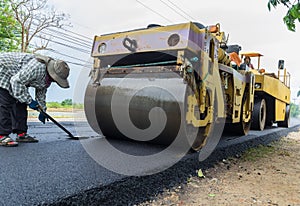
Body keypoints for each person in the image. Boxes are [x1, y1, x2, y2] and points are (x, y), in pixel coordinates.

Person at [0, 52, 70, 147]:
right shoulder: (37, 68)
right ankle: (2, 136)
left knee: (21, 102)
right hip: (3, 70)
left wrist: (42, 110)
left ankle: (21, 134)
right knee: (6, 102)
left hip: (15, 77)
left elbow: (41, 93)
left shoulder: (47, 77)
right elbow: (15, 81)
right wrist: (30, 101)